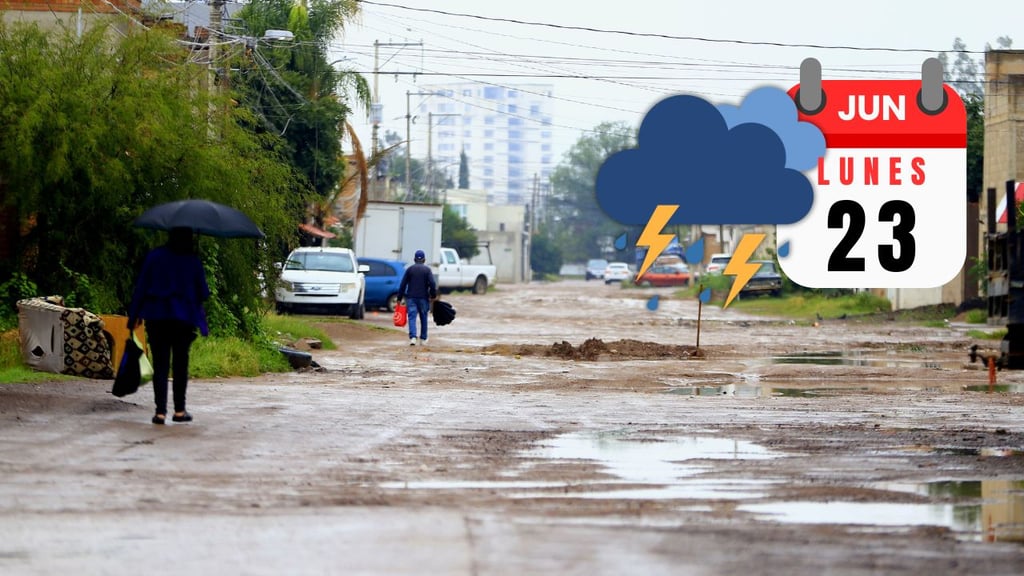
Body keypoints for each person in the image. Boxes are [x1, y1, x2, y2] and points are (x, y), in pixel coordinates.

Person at [127, 227, 210, 425]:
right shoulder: (192, 261)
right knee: (181, 365)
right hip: (183, 320)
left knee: (161, 365)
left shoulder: (155, 257)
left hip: (157, 317)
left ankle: (160, 412)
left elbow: (142, 287)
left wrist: (134, 316)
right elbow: (204, 293)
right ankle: (180, 411)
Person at [397, 249, 437, 346]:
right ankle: (423, 339)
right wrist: (433, 295)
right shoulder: (427, 270)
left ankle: (413, 337)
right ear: (424, 260)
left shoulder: (410, 270)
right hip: (423, 298)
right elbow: (432, 283)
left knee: (412, 317)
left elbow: (403, 284)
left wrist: (399, 298)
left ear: (414, 259)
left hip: (411, 298)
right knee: (423, 318)